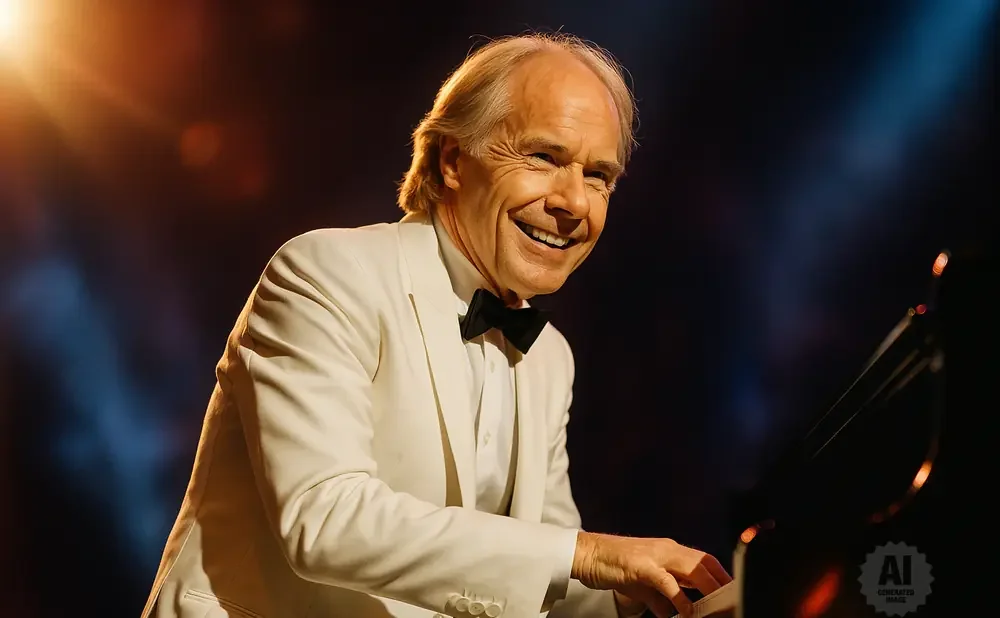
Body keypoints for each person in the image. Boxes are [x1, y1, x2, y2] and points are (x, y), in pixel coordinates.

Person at [142, 33, 731, 618]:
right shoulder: (325, 273)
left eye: (598, 175)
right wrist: (590, 554)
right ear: (452, 161)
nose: (574, 202)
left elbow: (542, 576)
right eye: (544, 158)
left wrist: (646, 593)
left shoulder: (550, 357)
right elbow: (323, 519)